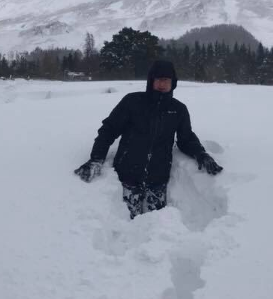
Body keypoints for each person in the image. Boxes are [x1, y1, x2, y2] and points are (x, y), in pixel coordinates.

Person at [74, 60, 223, 219]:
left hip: (158, 179)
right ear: (151, 81)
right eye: (158, 79)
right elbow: (109, 130)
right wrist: (96, 159)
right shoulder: (132, 102)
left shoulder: (178, 109)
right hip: (127, 176)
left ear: (173, 83)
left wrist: (201, 155)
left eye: (166, 80)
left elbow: (186, 138)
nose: (162, 84)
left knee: (158, 226)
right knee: (125, 223)